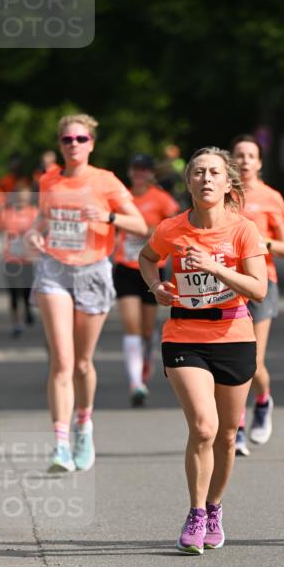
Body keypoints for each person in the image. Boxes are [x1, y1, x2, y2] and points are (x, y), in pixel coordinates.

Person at [138, 146, 267, 554]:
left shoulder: (244, 230)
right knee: (204, 427)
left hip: (233, 334)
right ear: (188, 181)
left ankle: (214, 508)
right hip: (183, 335)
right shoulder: (171, 229)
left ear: (228, 183)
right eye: (198, 172)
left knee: (228, 436)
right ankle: (195, 514)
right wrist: (156, 286)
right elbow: (146, 257)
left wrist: (215, 267)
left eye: (213, 172)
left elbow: (258, 290)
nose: (205, 179)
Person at [26, 113, 147, 473]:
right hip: (54, 270)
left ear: (91, 144)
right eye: (67, 140)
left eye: (80, 139)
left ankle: (84, 426)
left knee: (81, 363)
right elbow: (42, 219)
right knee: (62, 361)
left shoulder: (106, 181)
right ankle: (60, 445)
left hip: (93, 270)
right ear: (60, 145)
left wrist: (108, 217)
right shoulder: (49, 180)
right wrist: (35, 233)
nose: (74, 145)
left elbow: (140, 225)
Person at [230, 133, 284, 454]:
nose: (244, 161)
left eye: (250, 155)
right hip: (227, 283)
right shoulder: (222, 195)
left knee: (253, 361)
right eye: (239, 155)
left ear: (259, 162)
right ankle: (237, 427)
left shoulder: (271, 197)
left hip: (261, 282)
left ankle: (263, 401)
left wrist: (260, 241)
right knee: (233, 359)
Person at [113, 153, 179, 406]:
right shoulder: (122, 199)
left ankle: (145, 359)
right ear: (130, 172)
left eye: (144, 169)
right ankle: (136, 383)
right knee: (131, 326)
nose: (139, 173)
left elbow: (175, 226)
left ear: (152, 174)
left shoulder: (161, 199)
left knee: (147, 330)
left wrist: (149, 232)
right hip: (126, 267)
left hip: (153, 269)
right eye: (136, 169)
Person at [1, 185, 39, 336]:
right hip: (11, 259)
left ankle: (28, 311)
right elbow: (0, 233)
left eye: (26, 197)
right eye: (20, 196)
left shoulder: (34, 213)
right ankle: (17, 324)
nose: (23, 200)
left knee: (26, 291)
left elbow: (40, 231)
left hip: (28, 259)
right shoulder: (7, 214)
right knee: (13, 293)